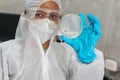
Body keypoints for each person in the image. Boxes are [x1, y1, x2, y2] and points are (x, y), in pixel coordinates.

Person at [0, 0, 104, 80]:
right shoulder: (5, 52)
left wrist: (87, 62)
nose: (46, 21)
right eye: (39, 14)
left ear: (59, 21)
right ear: (26, 16)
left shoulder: (67, 54)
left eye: (53, 16)